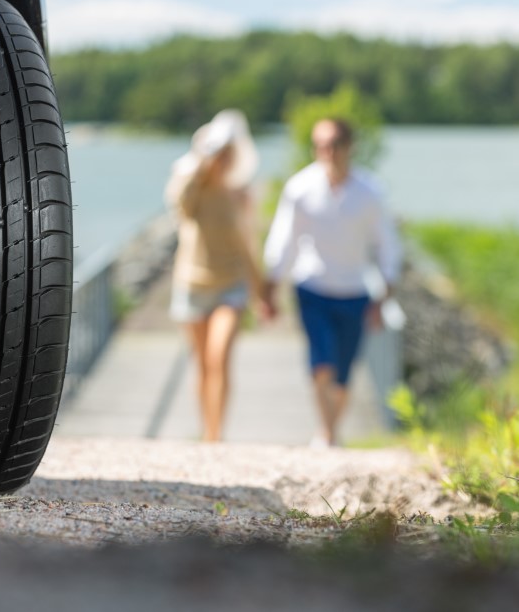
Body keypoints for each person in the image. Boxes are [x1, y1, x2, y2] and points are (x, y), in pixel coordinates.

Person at [263, 118, 401, 448]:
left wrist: (385, 293)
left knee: (343, 374)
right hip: (312, 286)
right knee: (320, 362)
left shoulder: (370, 192)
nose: (328, 152)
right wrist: (270, 286)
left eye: (335, 143)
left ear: (350, 146)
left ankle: (330, 431)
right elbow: (284, 239)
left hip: (354, 290)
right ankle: (327, 434)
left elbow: (387, 244)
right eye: (321, 145)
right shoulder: (300, 187)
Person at [165, 109, 269, 442]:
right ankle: (207, 429)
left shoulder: (239, 195)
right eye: (219, 154)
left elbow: (247, 244)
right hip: (192, 283)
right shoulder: (191, 189)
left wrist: (262, 291)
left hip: (231, 285)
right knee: (202, 365)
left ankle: (216, 434)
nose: (223, 160)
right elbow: (178, 204)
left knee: (219, 356)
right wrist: (200, 161)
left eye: (228, 154)